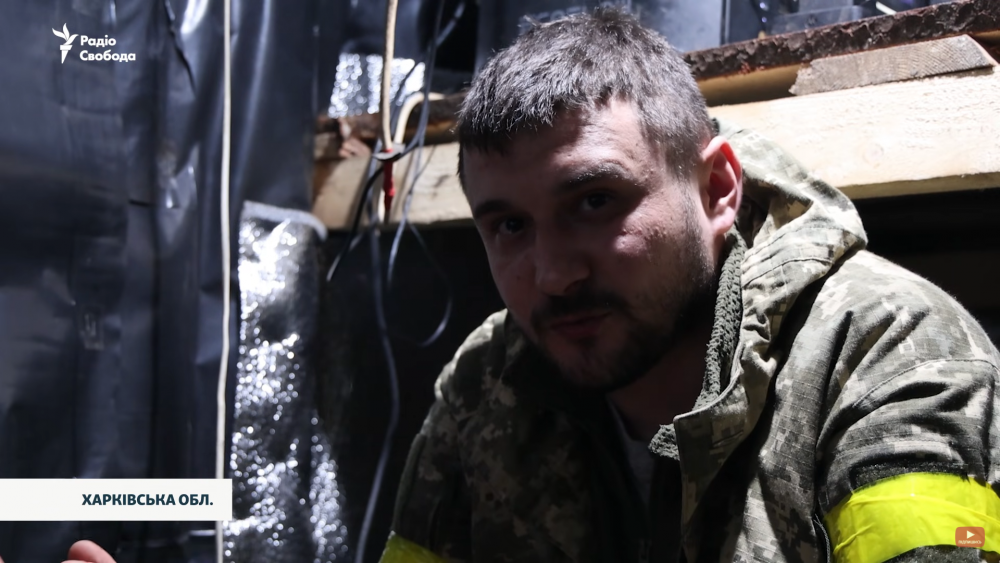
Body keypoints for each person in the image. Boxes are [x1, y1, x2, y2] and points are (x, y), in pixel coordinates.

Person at [35, 7, 1000, 563]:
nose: (551, 273)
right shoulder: (491, 376)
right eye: (507, 225)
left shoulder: (883, 350)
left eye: (594, 202)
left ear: (717, 189)